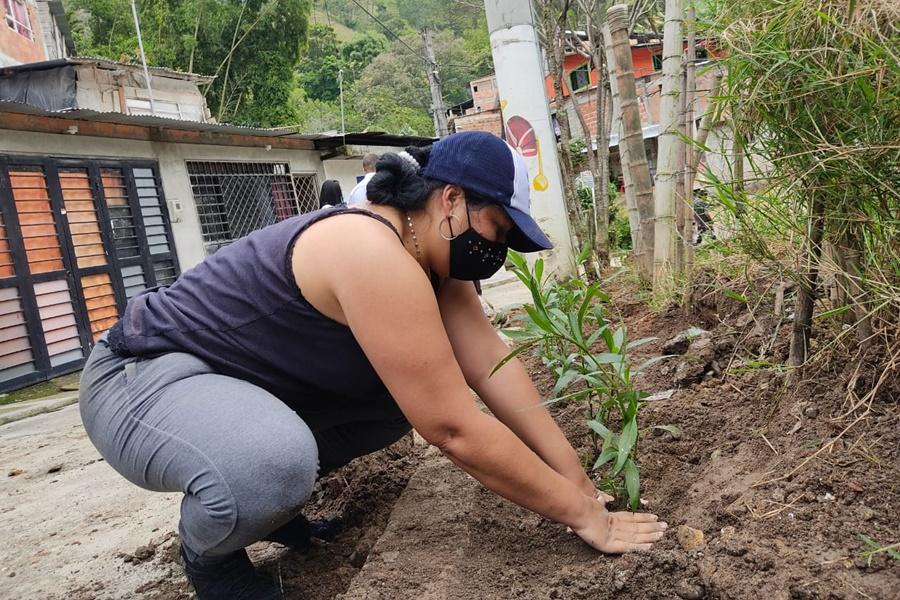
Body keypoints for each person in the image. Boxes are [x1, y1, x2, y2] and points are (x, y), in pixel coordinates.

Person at [78, 131, 666, 600]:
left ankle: (270, 506)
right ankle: (211, 552)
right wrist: (583, 518)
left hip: (232, 387)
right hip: (139, 381)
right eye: (498, 230)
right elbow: (454, 428)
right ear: (451, 199)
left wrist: (578, 481)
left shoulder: (429, 258)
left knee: (389, 405)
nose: (498, 251)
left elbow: (492, 363)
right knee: (273, 463)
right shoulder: (368, 250)